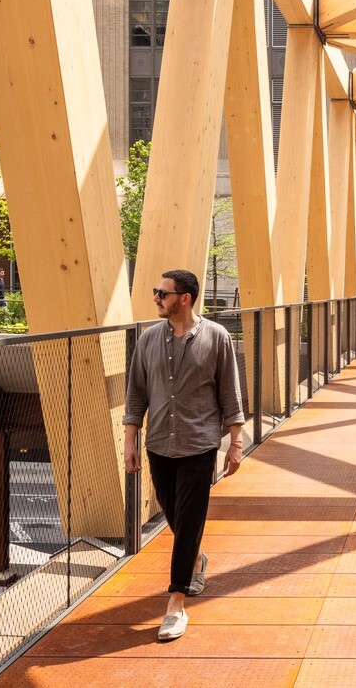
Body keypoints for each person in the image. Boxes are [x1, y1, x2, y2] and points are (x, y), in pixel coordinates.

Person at [123, 268, 244, 643]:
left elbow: (229, 393)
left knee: (189, 519)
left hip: (199, 444)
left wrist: (235, 442)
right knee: (173, 512)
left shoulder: (216, 337)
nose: (156, 297)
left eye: (163, 292)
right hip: (158, 442)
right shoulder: (147, 340)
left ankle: (176, 602)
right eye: (156, 291)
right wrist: (130, 440)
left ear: (185, 299)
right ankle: (195, 557)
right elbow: (136, 395)